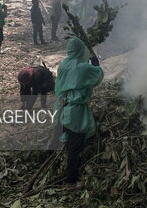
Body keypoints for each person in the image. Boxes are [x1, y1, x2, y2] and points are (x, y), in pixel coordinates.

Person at [55, 37, 103, 190]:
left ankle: (63, 171)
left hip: (62, 108)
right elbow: (97, 75)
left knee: (70, 143)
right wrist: (94, 61)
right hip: (75, 112)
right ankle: (71, 181)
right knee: (75, 147)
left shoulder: (63, 64)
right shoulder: (82, 67)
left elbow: (74, 78)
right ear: (82, 50)